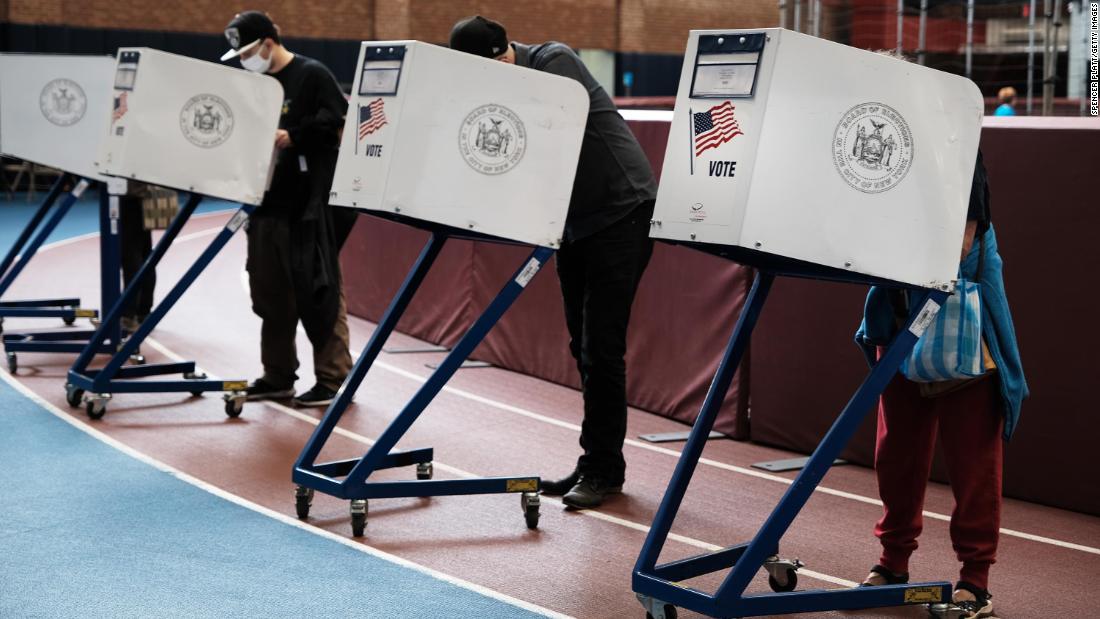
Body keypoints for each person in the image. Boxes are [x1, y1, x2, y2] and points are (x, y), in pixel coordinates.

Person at [450, 16, 658, 509]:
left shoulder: (554, 62)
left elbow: (543, 138)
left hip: (621, 211)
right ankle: (597, 460)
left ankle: (603, 469)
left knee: (600, 348)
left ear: (504, 53)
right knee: (581, 345)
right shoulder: (512, 80)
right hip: (576, 221)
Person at [855, 152, 1028, 618]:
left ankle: (975, 580)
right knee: (896, 453)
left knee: (973, 462)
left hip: (962, 323)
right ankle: (892, 563)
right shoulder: (887, 149)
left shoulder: (960, 151)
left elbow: (959, 246)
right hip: (898, 314)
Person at [220, 10, 354, 407]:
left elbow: (339, 122)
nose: (245, 61)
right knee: (270, 294)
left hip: (308, 206)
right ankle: (277, 375)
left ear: (268, 43)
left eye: (249, 53)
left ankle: (332, 378)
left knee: (319, 290)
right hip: (265, 205)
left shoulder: (311, 75)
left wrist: (294, 136)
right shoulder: (255, 83)